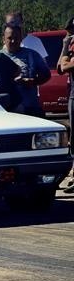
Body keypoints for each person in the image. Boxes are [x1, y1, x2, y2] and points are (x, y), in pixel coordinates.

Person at [0, 24, 50, 117]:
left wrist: (33, 81)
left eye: (16, 38)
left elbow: (46, 74)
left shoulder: (32, 54)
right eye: (9, 38)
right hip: (8, 112)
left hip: (31, 109)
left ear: (21, 39)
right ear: (3, 39)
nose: (13, 41)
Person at [56, 17, 74, 193]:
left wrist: (66, 59)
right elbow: (60, 67)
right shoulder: (70, 45)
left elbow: (66, 66)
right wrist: (64, 46)